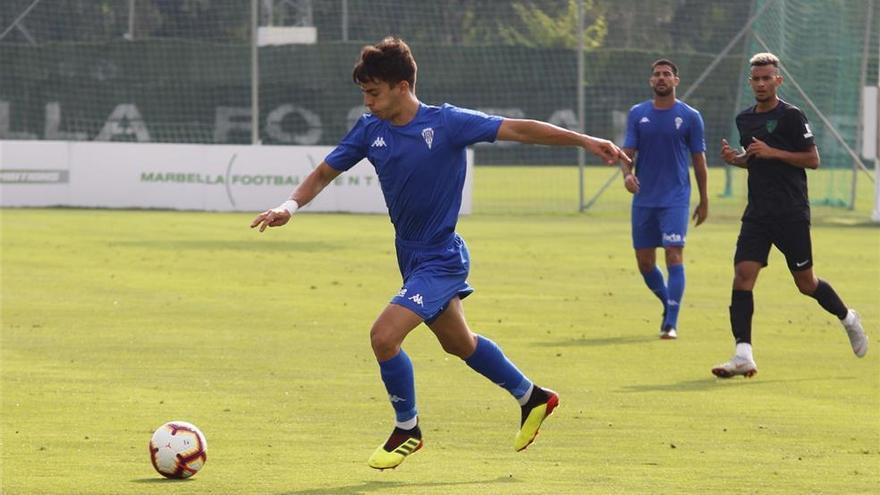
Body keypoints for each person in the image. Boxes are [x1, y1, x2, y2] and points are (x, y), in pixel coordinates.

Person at [250, 37, 630, 469]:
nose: (368, 102)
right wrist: (289, 206)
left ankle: (407, 429)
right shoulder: (369, 128)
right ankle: (534, 397)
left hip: (442, 257)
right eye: (364, 93)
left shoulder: (448, 123)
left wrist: (584, 140)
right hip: (411, 257)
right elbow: (324, 172)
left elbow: (519, 128)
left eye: (373, 92)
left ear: (401, 85)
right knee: (459, 344)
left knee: (384, 336)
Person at [712, 52, 868, 378]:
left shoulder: (792, 116)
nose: (761, 83)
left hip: (791, 212)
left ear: (777, 80)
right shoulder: (745, 119)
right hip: (757, 213)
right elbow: (754, 159)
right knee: (742, 275)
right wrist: (737, 159)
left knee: (806, 283)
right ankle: (743, 354)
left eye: (767, 78)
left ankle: (848, 318)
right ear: (750, 82)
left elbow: (812, 159)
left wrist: (773, 152)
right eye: (755, 79)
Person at [620, 59, 708, 340]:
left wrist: (704, 199)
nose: (661, 78)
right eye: (657, 74)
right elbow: (627, 154)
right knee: (645, 263)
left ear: (675, 81)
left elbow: (699, 160)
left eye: (667, 74)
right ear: (650, 81)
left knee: (673, 254)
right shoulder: (637, 114)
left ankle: (670, 322)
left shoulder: (691, 116)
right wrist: (627, 175)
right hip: (645, 199)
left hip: (676, 199)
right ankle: (668, 302)